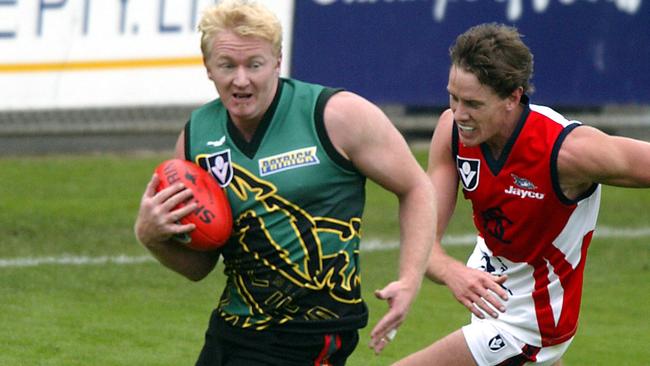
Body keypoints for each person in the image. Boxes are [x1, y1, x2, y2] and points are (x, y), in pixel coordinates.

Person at [134, 1, 435, 365]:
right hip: (232, 329)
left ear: (278, 60)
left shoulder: (336, 115)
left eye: (254, 65)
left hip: (310, 336)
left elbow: (417, 187)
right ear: (208, 68)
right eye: (227, 65)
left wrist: (409, 279)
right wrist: (151, 236)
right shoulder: (197, 137)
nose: (241, 79)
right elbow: (200, 266)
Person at [394, 23, 650, 366]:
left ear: (513, 97)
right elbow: (423, 237)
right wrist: (451, 271)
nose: (459, 114)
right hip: (495, 300)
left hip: (533, 323)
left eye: (472, 103)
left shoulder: (567, 152)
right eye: (453, 98)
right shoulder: (451, 132)